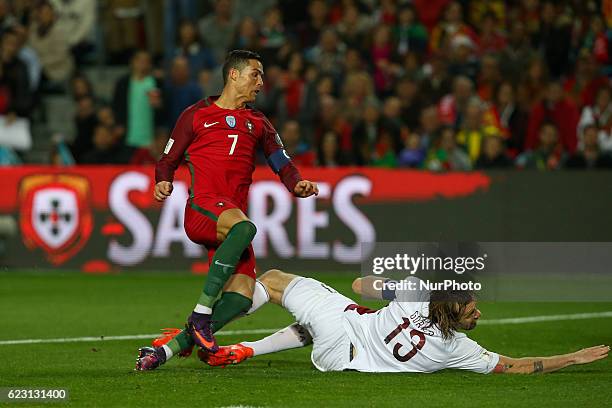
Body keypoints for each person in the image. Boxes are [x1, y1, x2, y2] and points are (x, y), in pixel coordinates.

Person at [136, 50, 318, 370]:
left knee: (240, 299)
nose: (261, 82)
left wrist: (297, 184)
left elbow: (281, 162)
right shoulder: (195, 115)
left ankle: (163, 352)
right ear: (233, 75)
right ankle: (200, 315)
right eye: (255, 74)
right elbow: (167, 159)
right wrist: (162, 181)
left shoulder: (258, 122)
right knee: (245, 228)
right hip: (204, 208)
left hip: (231, 218)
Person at [201, 269, 609, 374]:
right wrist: (573, 358)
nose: (478, 312)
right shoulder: (459, 350)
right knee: (315, 326)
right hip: (339, 360)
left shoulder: (416, 292)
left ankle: (206, 328)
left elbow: (360, 284)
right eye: (471, 311)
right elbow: (519, 367)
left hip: (343, 326)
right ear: (453, 314)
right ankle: (245, 350)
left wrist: (396, 286)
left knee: (271, 281)